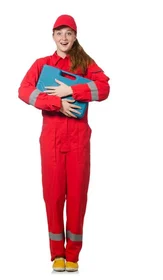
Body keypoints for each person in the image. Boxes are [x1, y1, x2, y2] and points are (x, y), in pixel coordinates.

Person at [17, 14, 110, 272]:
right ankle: (57, 254)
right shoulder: (42, 64)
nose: (64, 38)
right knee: (54, 197)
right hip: (52, 143)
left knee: (78, 198)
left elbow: (104, 89)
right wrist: (56, 103)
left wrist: (71, 90)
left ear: (75, 35)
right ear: (53, 36)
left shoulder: (85, 63)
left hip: (79, 140)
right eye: (59, 33)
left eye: (69, 33)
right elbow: (24, 90)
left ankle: (73, 255)